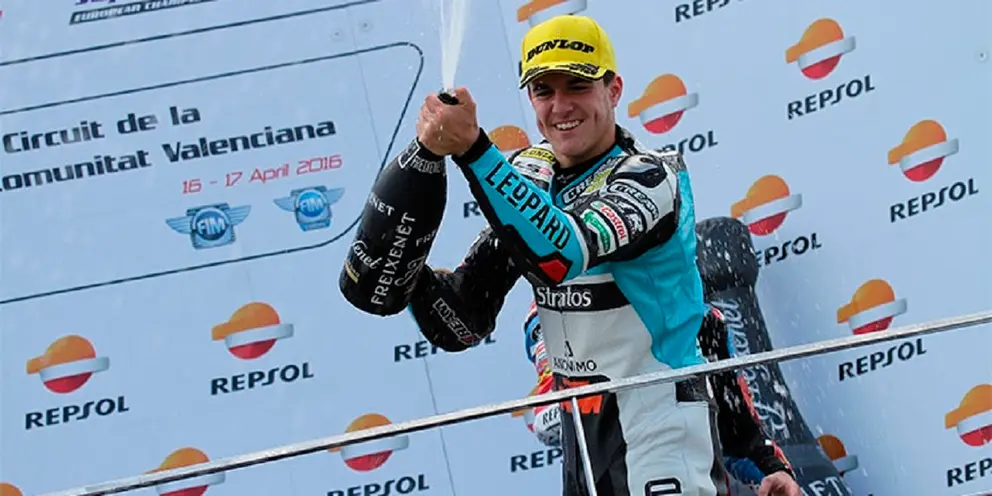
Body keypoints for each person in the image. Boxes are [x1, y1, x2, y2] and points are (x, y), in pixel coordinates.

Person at [407, 13, 802, 496]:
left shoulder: (651, 177)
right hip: (587, 456)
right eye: (544, 91)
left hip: (663, 443)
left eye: (577, 85)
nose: (561, 106)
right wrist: (402, 266)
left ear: (613, 90)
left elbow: (564, 253)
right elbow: (461, 319)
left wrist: (474, 151)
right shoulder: (531, 180)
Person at [522, 301, 800, 496]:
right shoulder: (559, 304)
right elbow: (546, 417)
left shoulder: (700, 317)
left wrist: (774, 471)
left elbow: (737, 433)